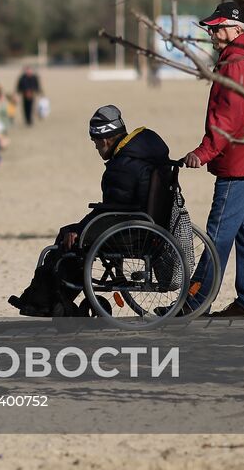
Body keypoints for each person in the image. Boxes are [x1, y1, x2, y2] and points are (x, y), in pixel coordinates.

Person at [9, 105, 170, 317]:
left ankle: (44, 301)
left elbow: (113, 211)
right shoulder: (145, 156)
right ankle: (48, 298)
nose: (95, 148)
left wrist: (81, 231)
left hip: (128, 231)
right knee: (73, 234)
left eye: (95, 142)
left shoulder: (123, 166)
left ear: (105, 140)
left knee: (69, 238)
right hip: (143, 225)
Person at [183, 2, 244, 318]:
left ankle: (194, 304)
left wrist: (203, 152)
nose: (212, 34)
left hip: (239, 162)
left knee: (217, 235)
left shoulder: (235, 64)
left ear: (236, 29)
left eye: (216, 28)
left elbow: (227, 116)